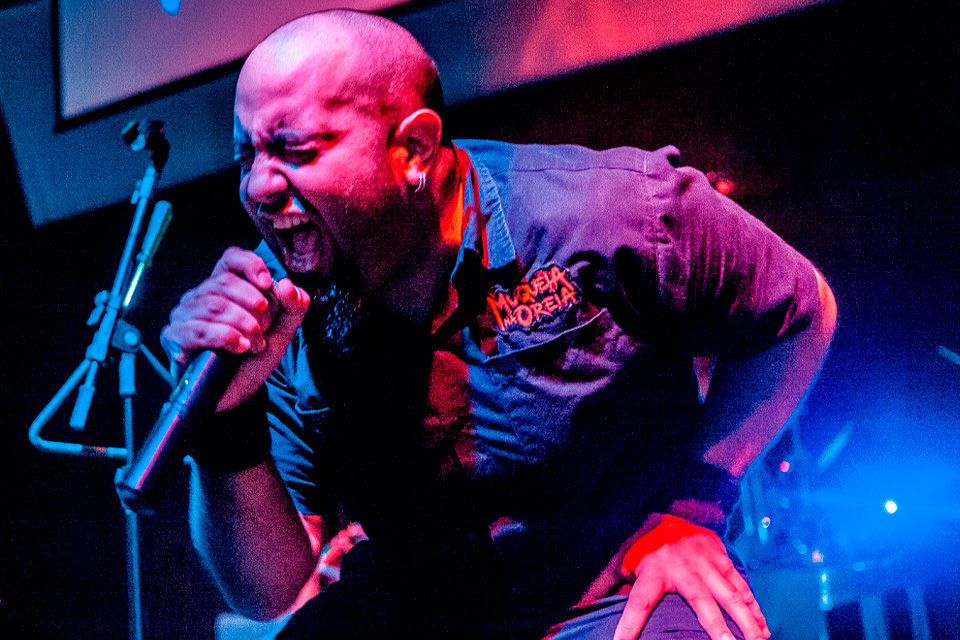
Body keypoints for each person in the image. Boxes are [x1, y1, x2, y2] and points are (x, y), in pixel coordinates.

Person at [161, 9, 837, 640]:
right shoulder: (277, 307)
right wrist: (224, 421)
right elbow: (268, 591)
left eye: (296, 150)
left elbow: (802, 312)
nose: (259, 186)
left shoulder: (607, 212)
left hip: (611, 587)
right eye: (247, 157)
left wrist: (694, 507)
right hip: (424, 607)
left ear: (414, 149)